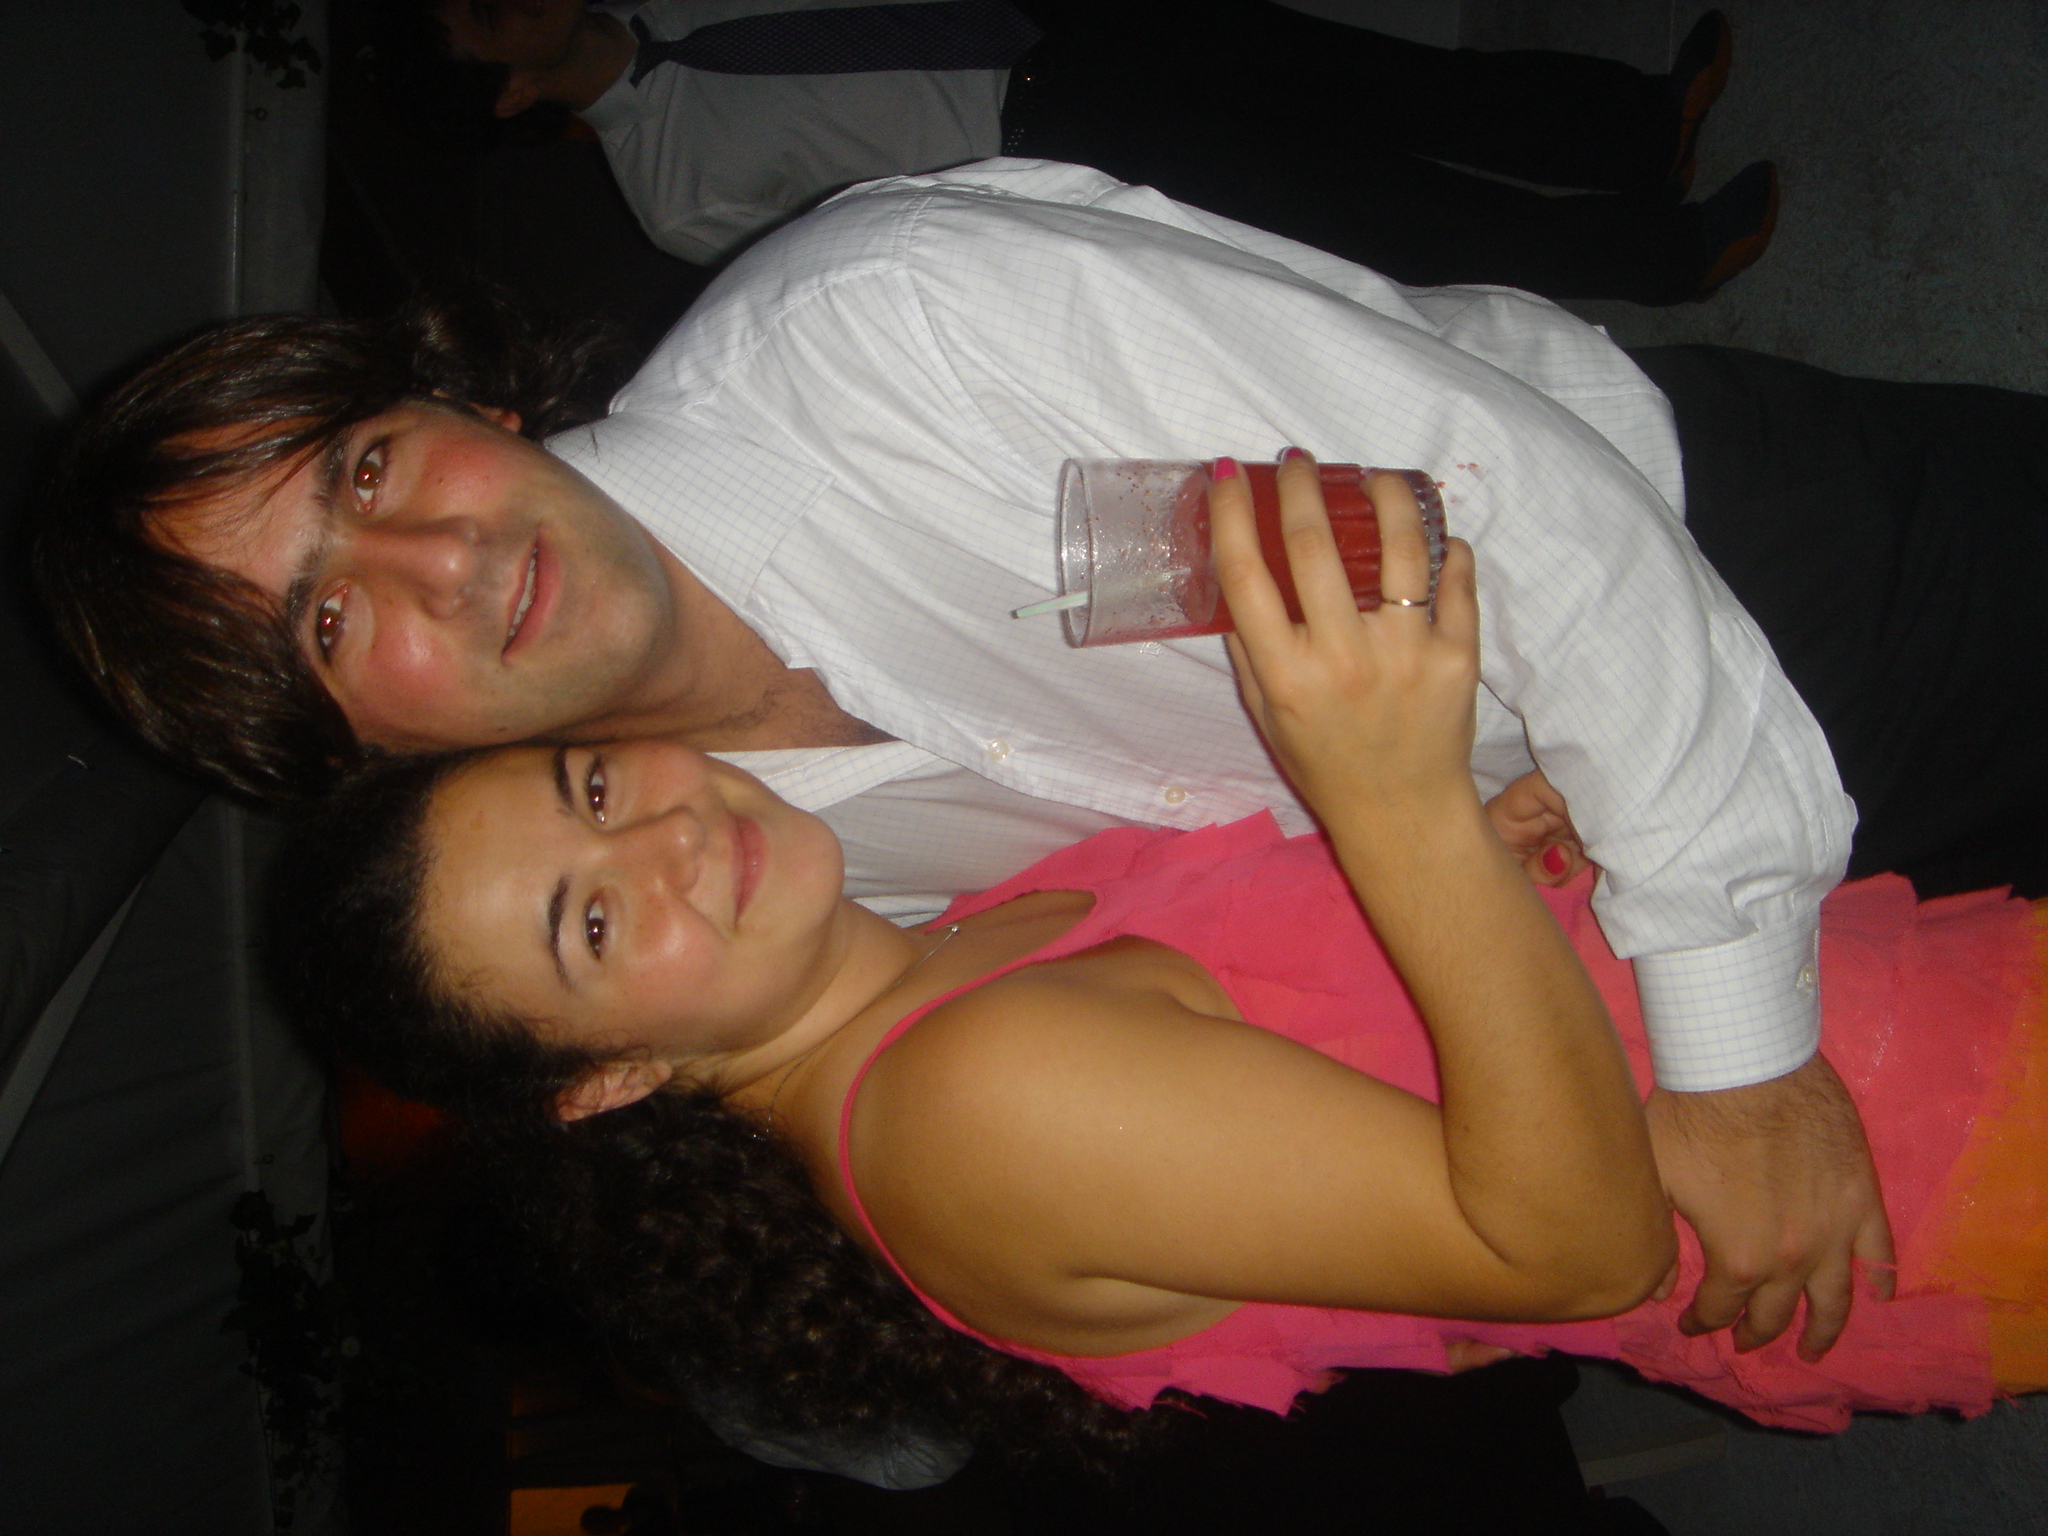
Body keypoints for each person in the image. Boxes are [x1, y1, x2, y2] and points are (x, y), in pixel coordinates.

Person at [52, 155, 2048, 1364]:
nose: (435, 558)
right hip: (1585, 876)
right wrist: (1449, 836)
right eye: (330, 622)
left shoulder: (878, 323)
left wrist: (1734, 1039)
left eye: (366, 471)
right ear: (357, 749)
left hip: (1736, 576)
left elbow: (1508, 505)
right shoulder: (746, 873)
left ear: (451, 407)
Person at [272, 464, 2048, 1456]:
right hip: (1888, 1175)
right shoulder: (961, 1104)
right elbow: (1578, 1251)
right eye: (593, 924)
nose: (661, 837)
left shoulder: (933, 951)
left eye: (591, 788)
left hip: (1812, 1055)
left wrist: (1472, 867)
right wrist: (1402, 810)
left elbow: (1356, 1063)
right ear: (607, 1079)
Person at [374, 0, 1772, 301]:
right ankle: (1662, 256)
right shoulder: (676, 199)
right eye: (483, 21)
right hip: (1058, 145)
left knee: (1383, 80)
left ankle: (1636, 128)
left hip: (1078, 30)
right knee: (1383, 212)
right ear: (505, 96)